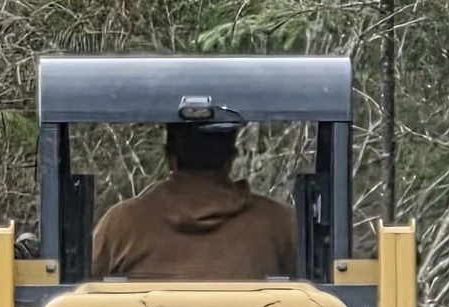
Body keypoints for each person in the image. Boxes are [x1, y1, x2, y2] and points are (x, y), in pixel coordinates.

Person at [89, 120, 296, 282]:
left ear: (170, 159)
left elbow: (79, 291)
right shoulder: (279, 224)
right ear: (230, 160)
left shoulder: (120, 226)